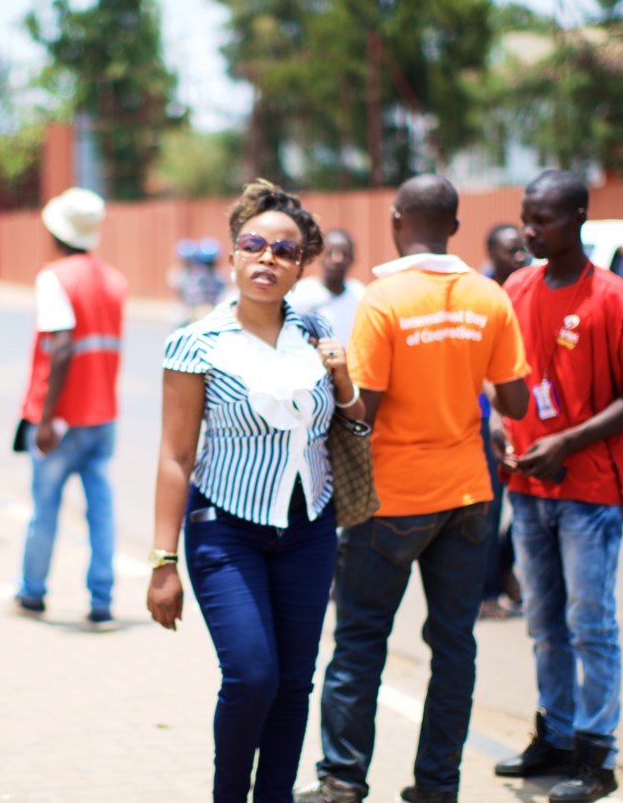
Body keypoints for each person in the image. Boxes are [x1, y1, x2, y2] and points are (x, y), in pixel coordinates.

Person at [296, 176, 530, 803]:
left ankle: (343, 780)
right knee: (454, 647)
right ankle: (438, 786)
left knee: (359, 642)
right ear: (454, 227)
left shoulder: (383, 300)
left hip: (391, 502)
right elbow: (516, 401)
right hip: (469, 498)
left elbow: (363, 409)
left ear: (397, 220)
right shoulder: (488, 297)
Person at [148, 179, 360, 803]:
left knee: (294, 683)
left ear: (301, 266)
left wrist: (344, 376)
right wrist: (162, 562)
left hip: (309, 529)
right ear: (234, 254)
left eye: (285, 251)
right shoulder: (195, 343)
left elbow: (354, 421)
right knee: (252, 675)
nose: (268, 258)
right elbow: (175, 456)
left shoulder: (317, 332)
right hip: (225, 530)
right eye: (254, 245)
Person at [495, 170, 623, 803]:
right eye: (526, 217)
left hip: (589, 490)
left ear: (579, 219)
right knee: (543, 621)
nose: (529, 230)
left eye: (543, 219)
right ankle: (556, 737)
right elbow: (500, 377)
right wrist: (499, 427)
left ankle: (597, 756)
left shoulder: (615, 299)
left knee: (589, 622)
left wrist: (565, 441)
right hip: (528, 487)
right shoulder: (516, 287)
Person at [14, 186, 127, 628]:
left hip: (61, 421)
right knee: (101, 510)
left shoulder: (54, 278)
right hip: (102, 416)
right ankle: (102, 601)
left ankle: (32, 593)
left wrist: (46, 419)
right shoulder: (114, 280)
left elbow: (60, 348)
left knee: (45, 508)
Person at [479, 222, 530, 619]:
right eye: (510, 250)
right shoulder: (479, 295)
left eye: (521, 249)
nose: (518, 256)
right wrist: (497, 415)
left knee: (530, 499)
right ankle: (486, 593)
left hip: (525, 412)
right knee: (492, 507)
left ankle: (502, 568)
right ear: (491, 253)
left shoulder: (528, 288)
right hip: (488, 416)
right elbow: (480, 363)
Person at [288, 229, 365, 344]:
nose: (337, 259)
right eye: (330, 253)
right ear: (320, 257)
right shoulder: (301, 293)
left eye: (344, 254)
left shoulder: (360, 294)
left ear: (352, 259)